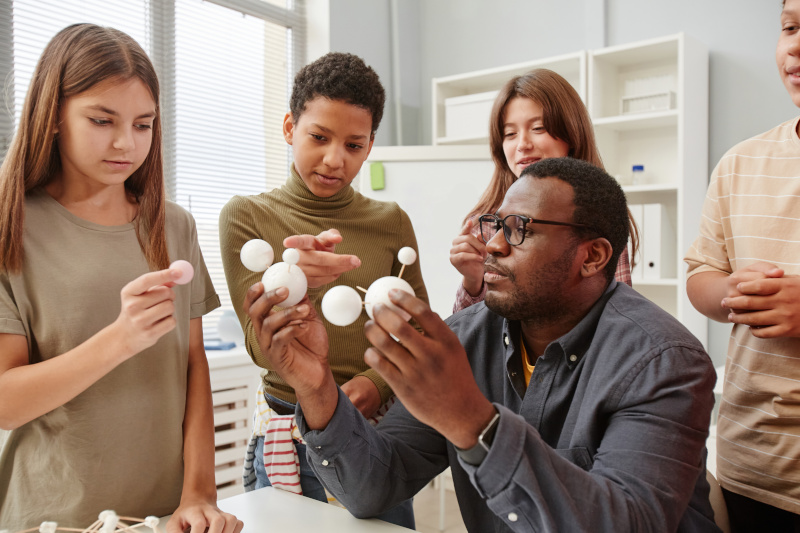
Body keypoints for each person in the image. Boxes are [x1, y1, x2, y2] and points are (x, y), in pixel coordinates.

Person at [244, 157, 720, 532]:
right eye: (495, 225)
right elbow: (375, 486)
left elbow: (627, 525)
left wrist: (472, 420)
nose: (492, 245)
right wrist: (316, 388)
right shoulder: (466, 336)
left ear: (592, 257)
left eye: (521, 229)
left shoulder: (665, 362)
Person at [0, 24, 241, 533]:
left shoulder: (173, 225)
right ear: (54, 116)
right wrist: (120, 339)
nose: (125, 143)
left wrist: (198, 493)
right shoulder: (12, 228)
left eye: (143, 124)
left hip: (164, 515)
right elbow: (6, 403)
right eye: (102, 120)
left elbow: (194, 366)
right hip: (52, 517)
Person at [218, 52, 426, 528]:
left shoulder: (390, 222)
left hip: (374, 436)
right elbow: (260, 348)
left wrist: (377, 385)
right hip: (288, 430)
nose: (335, 159)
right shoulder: (248, 217)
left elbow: (417, 328)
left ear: (371, 145)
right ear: (290, 126)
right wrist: (294, 288)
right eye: (319, 137)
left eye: (354, 145)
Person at [684, 1, 800, 529]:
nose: (795, 45)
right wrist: (733, 289)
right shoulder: (740, 162)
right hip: (751, 464)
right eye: (790, 27)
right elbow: (700, 275)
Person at [449, 68, 638, 313]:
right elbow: (469, 337)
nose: (523, 145)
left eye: (538, 128)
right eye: (510, 134)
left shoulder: (602, 216)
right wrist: (473, 282)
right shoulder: (485, 225)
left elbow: (619, 316)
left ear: (572, 134)